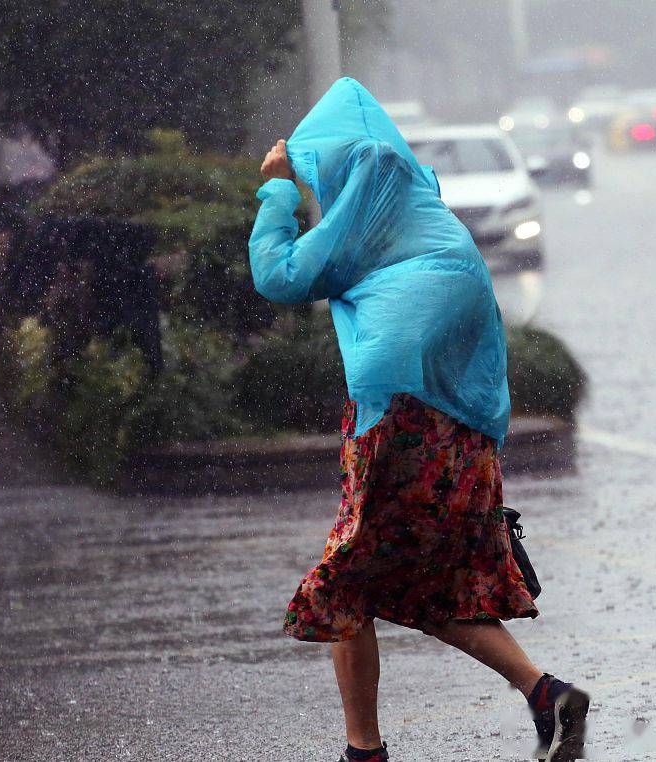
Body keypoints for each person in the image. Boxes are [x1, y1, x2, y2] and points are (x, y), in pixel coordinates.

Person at [248, 79, 590, 762]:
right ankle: (544, 695)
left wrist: (279, 191)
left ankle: (363, 753)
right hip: (465, 439)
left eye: (325, 176)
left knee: (346, 586)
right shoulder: (437, 227)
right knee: (430, 588)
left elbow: (278, 277)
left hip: (394, 431)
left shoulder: (355, 231)